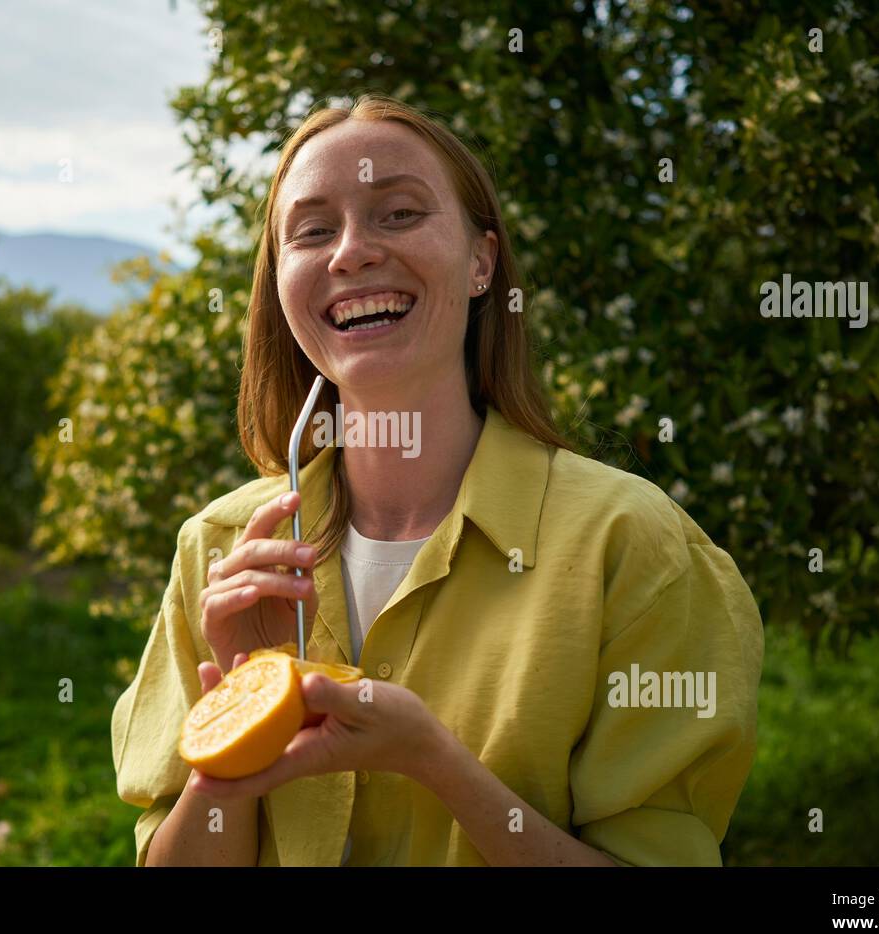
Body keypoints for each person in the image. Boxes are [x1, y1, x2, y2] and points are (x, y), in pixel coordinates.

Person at [112, 92, 764, 866]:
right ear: (281, 285)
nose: (350, 251)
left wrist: (433, 760)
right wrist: (237, 733)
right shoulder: (216, 553)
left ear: (482, 261)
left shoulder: (632, 544)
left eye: (398, 213)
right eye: (313, 230)